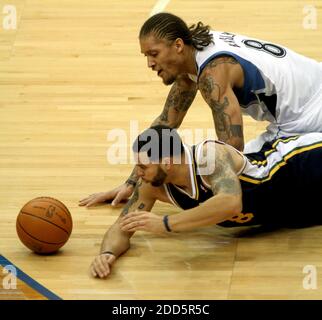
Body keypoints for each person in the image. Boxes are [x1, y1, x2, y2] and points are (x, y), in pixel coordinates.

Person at [80, 12, 322, 208]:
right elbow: (165, 125)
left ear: (177, 45)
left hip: (311, 113)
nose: (150, 63)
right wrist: (132, 183)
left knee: (247, 180)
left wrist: (190, 198)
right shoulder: (194, 53)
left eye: (154, 54)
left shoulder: (213, 72)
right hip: (305, 98)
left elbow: (231, 149)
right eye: (146, 56)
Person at [89, 125, 322, 278]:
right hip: (291, 209)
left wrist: (167, 223)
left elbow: (231, 202)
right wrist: (107, 253)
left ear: (167, 162)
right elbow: (122, 227)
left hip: (302, 164)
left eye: (143, 166)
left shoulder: (210, 157)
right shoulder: (151, 187)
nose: (136, 173)